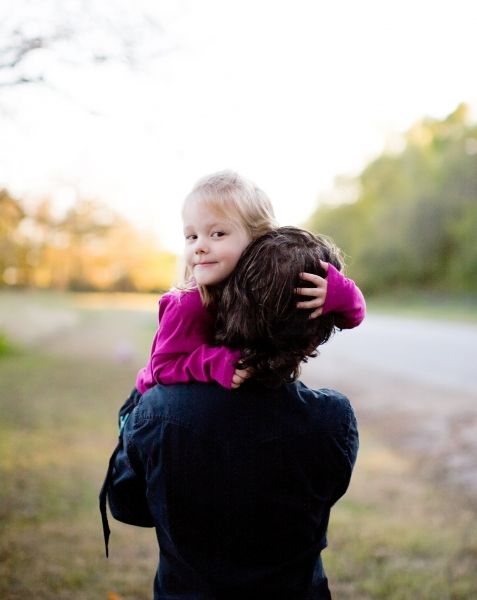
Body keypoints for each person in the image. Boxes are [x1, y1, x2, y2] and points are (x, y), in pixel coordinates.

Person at [106, 227, 359, 599]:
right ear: (316, 334)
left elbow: (128, 507)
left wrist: (147, 386)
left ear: (230, 305)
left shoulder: (158, 408)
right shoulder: (332, 418)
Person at [135, 170, 365, 394]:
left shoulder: (261, 288)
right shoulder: (187, 304)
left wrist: (337, 292)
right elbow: (161, 368)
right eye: (191, 237)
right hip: (149, 406)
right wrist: (214, 362)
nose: (199, 247)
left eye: (217, 234)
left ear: (257, 238)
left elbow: (353, 317)